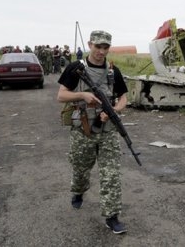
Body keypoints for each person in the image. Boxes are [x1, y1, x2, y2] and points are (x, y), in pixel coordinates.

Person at [57, 30, 129, 234]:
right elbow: (61, 96)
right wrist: (82, 95)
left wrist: (114, 110)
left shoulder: (113, 71)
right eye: (98, 46)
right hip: (83, 130)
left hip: (107, 131)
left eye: (105, 47)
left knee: (111, 174)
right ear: (90, 44)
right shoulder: (75, 68)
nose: (101, 51)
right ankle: (78, 191)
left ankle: (112, 216)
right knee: (80, 169)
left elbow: (124, 97)